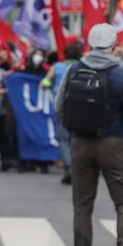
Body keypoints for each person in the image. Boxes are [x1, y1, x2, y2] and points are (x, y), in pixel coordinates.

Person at [55, 23, 123, 246]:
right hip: (112, 143)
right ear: (113, 46)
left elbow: (58, 106)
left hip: (80, 144)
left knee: (82, 206)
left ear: (90, 44)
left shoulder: (73, 69)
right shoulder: (121, 74)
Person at [43, 40, 82, 185]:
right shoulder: (82, 67)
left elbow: (45, 82)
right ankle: (78, 168)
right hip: (79, 107)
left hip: (61, 106)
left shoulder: (57, 67)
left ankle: (69, 166)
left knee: (64, 139)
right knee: (77, 138)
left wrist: (48, 85)